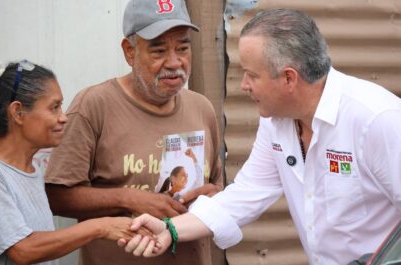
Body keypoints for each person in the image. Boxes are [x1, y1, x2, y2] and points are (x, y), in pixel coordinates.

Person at [118, 8, 401, 265]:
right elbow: (248, 193)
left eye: (251, 75)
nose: (243, 86)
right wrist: (171, 230)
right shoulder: (277, 120)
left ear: (289, 78)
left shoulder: (377, 120)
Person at [43, 0, 223, 264]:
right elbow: (56, 196)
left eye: (183, 48)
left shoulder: (202, 108)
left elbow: (218, 187)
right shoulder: (93, 106)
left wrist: (212, 198)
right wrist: (129, 199)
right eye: (159, 50)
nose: (174, 62)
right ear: (129, 51)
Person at [0, 58, 147, 265]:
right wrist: (101, 227)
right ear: (18, 113)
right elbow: (23, 250)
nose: (63, 117)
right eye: (54, 107)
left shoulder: (33, 168)